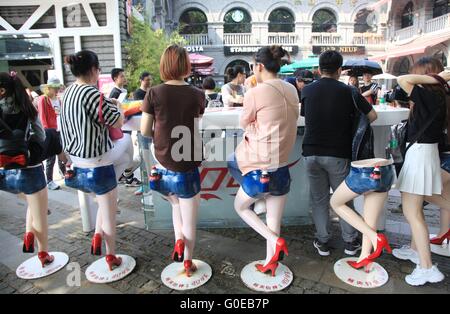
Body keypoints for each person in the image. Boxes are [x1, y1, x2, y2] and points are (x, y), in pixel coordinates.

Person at [227, 45, 299, 275]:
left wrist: (250, 88)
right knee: (273, 219)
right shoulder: (292, 89)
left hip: (259, 166)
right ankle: (271, 262)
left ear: (258, 66)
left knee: (239, 205)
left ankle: (273, 239)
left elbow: (243, 123)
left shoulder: (255, 92)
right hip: (282, 168)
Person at [301, 50, 377, 257]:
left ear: (319, 69)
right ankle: (351, 242)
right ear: (340, 70)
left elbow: (305, 116)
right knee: (343, 200)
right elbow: (372, 115)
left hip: (310, 152)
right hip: (338, 154)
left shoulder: (307, 90)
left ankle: (322, 241)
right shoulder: (349, 91)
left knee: (318, 199)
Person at [140, 44, 205, 277]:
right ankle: (187, 262)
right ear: (186, 65)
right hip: (187, 163)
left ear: (164, 65)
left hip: (162, 165)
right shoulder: (198, 94)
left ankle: (178, 241)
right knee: (189, 216)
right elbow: (196, 126)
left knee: (175, 204)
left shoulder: (153, 93)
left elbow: (145, 131)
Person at [61, 50, 126, 271]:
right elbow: (117, 122)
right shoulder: (92, 94)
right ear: (93, 70)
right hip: (97, 161)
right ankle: (110, 256)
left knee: (104, 198)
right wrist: (118, 106)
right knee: (127, 147)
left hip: (76, 163)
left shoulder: (67, 93)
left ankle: (97, 234)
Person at [394, 57, 450, 286]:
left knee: (412, 212)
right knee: (415, 209)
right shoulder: (440, 96)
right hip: (425, 154)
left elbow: (402, 79)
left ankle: (427, 267)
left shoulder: (428, 94)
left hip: (420, 155)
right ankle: (418, 252)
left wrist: (436, 78)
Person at [0, 72, 57, 267]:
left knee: (32, 207)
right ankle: (43, 254)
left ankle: (28, 235)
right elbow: (40, 136)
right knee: (40, 213)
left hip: (5, 172)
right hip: (30, 169)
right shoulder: (27, 108)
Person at [37, 77, 66, 190]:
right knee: (51, 157)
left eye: (58, 88)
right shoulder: (43, 99)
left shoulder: (58, 100)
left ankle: (63, 173)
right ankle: (49, 180)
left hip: (59, 130)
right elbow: (42, 118)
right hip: (49, 131)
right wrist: (47, 133)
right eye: (55, 88)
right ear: (48, 88)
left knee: (62, 153)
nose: (57, 90)